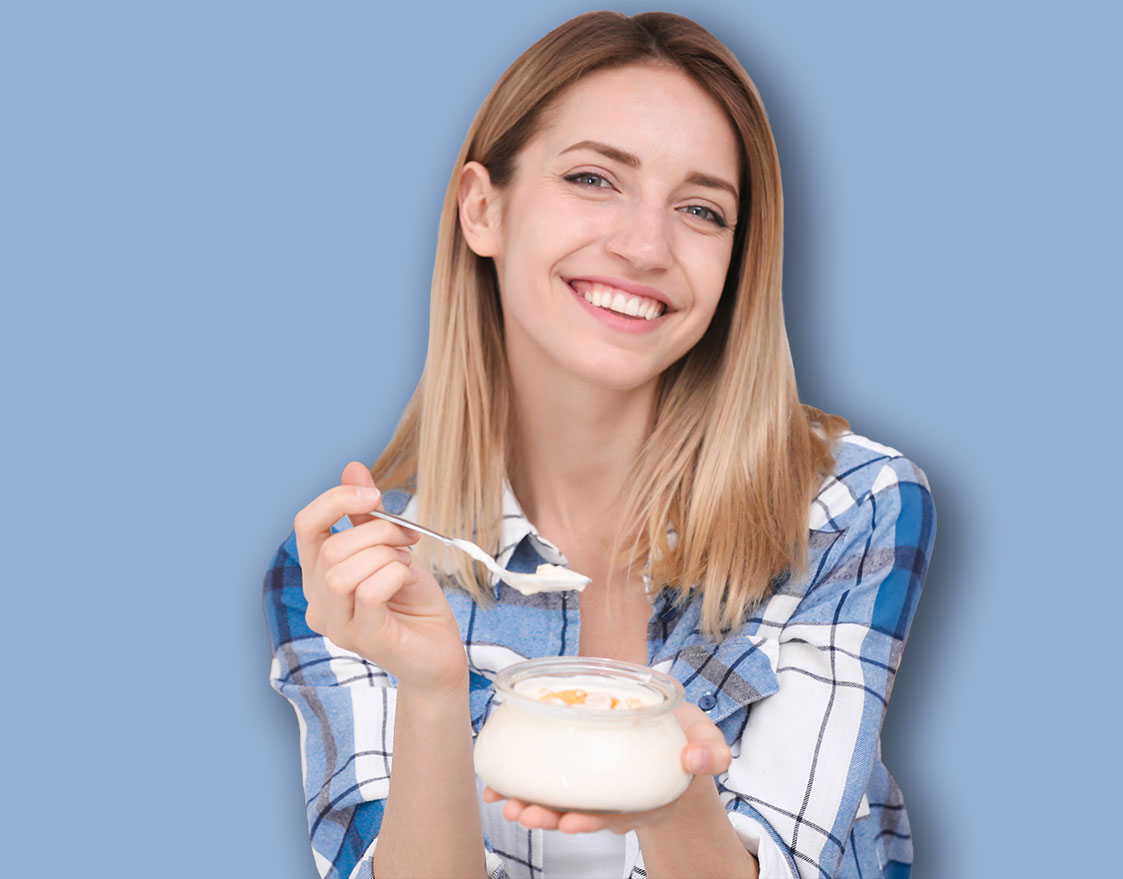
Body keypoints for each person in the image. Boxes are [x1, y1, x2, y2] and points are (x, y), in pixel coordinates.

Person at [263, 10, 935, 879]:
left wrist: (672, 794)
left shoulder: (850, 505)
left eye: (700, 209)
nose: (645, 246)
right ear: (482, 210)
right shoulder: (360, 572)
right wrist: (430, 693)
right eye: (592, 178)